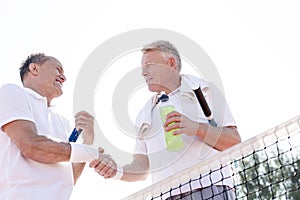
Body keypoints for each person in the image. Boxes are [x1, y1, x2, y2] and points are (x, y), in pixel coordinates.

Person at [90, 40, 241, 199]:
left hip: (210, 189)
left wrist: (197, 128)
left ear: (171, 63)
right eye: (143, 68)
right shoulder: (145, 114)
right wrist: (116, 169)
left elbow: (234, 142)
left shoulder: (205, 90)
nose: (144, 73)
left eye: (149, 65)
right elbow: (142, 167)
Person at [0, 53, 100, 200]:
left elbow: (70, 178)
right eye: (58, 70)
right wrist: (89, 152)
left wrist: (88, 141)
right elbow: (30, 145)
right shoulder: (12, 92)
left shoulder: (62, 122)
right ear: (34, 68)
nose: (63, 77)